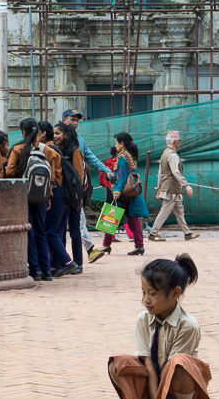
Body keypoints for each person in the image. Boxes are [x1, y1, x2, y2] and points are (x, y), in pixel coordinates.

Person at [108, 255, 211, 399]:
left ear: (175, 293)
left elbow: (173, 370)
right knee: (117, 364)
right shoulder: (143, 319)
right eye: (143, 292)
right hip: (153, 385)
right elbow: (147, 361)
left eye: (153, 294)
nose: (146, 300)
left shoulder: (188, 325)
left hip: (178, 386)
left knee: (180, 362)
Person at [6, 118, 58, 280]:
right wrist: (48, 195)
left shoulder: (18, 148)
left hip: (24, 196)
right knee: (41, 232)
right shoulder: (47, 150)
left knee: (30, 231)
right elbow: (52, 176)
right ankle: (47, 270)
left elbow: (9, 172)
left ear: (23, 132)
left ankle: (34, 269)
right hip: (42, 197)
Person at [62, 109, 115, 258]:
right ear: (64, 120)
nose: (75, 123)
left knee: (77, 222)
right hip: (59, 188)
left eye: (77, 121)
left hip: (76, 189)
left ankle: (83, 254)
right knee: (63, 226)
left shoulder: (80, 140)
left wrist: (107, 171)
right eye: (72, 120)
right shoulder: (56, 138)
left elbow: (91, 158)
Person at [95, 132, 149, 258]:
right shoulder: (130, 156)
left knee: (111, 216)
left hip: (123, 193)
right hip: (131, 191)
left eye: (116, 143)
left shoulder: (123, 157)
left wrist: (116, 191)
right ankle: (139, 245)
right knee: (132, 218)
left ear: (122, 144)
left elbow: (122, 175)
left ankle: (106, 244)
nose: (115, 145)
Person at [149, 130, 200, 243]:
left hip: (169, 188)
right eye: (179, 140)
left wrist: (159, 188)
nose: (179, 142)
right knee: (164, 212)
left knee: (179, 211)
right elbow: (176, 172)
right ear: (174, 141)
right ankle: (153, 233)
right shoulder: (173, 155)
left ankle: (187, 233)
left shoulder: (165, 154)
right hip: (171, 188)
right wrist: (186, 185)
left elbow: (161, 173)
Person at [51, 122, 85, 275]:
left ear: (66, 135)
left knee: (75, 231)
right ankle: (62, 262)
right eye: (53, 133)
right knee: (60, 230)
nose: (55, 136)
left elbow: (79, 177)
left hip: (74, 197)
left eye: (58, 133)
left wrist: (79, 200)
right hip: (64, 196)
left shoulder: (74, 151)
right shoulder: (56, 150)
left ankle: (78, 263)